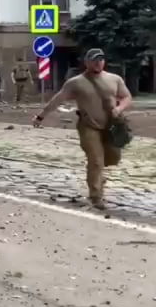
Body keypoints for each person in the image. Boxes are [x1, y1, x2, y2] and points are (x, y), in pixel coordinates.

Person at [33, 48, 132, 210]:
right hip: (88, 126)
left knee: (113, 158)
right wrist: (41, 116)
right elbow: (58, 100)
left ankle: (97, 177)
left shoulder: (114, 79)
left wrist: (119, 108)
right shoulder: (76, 82)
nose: (98, 63)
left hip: (111, 126)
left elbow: (126, 96)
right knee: (96, 160)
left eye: (101, 60)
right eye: (94, 60)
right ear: (86, 62)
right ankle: (96, 196)